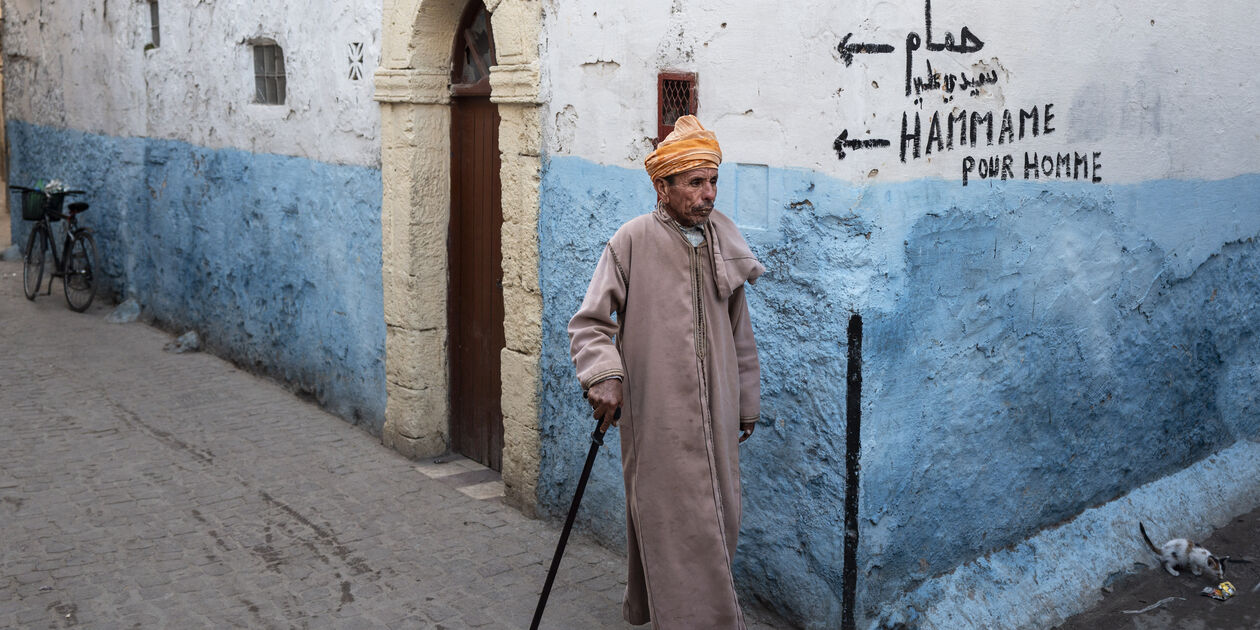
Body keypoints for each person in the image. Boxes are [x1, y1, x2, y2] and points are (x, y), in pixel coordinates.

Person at [568, 115, 765, 629]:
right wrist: (604, 375)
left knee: (719, 516)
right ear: (663, 187)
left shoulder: (724, 238)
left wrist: (746, 402)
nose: (708, 194)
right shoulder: (631, 241)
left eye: (713, 181)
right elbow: (590, 323)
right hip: (657, 411)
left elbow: (739, 330)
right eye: (695, 182)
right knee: (667, 519)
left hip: (717, 408)